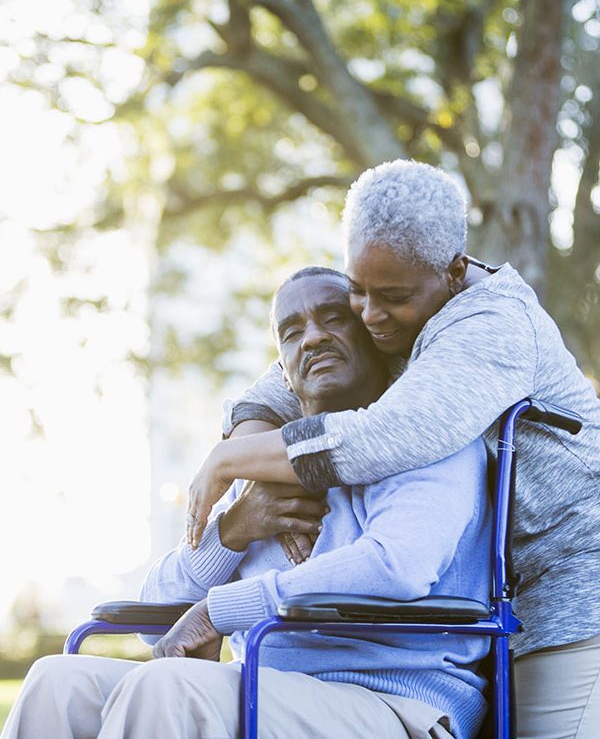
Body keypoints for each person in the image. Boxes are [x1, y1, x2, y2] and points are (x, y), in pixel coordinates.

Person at [186, 160, 600, 739]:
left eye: (393, 297)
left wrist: (227, 462)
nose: (372, 316)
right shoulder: (391, 320)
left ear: (454, 272)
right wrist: (263, 485)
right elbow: (274, 390)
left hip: (567, 585)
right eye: (357, 292)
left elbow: (388, 438)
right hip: (482, 597)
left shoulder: (492, 325)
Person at [2, 267, 491, 739]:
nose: (313, 338)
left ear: (372, 332)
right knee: (56, 682)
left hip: (395, 700)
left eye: (333, 318)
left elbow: (396, 566)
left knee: (168, 687)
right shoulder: (262, 463)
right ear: (283, 372)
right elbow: (155, 619)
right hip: (267, 691)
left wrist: (221, 610)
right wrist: (231, 531)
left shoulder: (425, 434)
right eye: (292, 331)